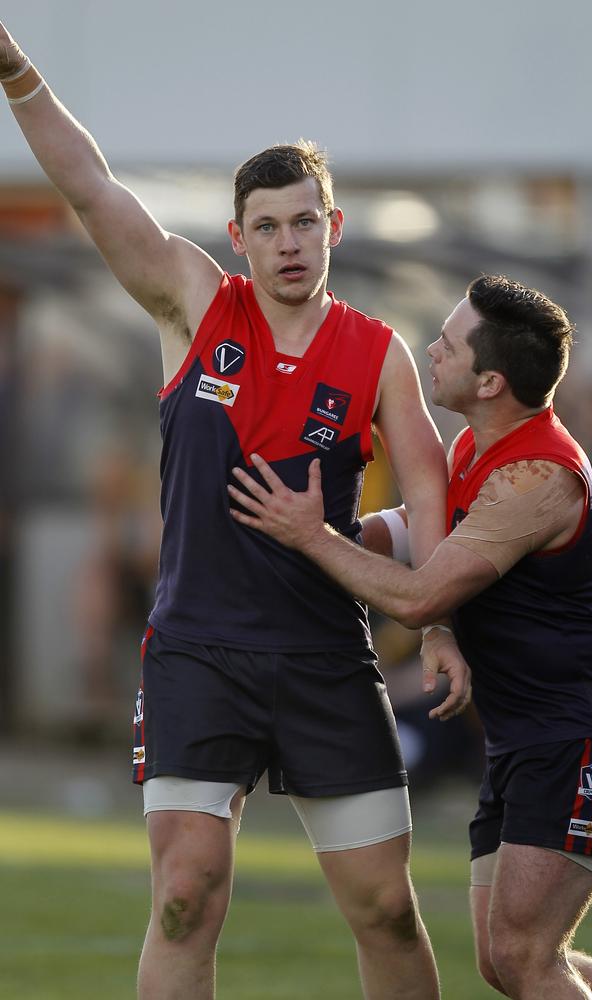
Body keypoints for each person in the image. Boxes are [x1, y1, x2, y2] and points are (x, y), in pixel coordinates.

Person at [0, 21, 476, 1000]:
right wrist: (19, 75)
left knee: (386, 909)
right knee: (185, 893)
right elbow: (91, 188)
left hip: (323, 658)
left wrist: (436, 622)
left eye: (304, 222)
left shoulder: (376, 352)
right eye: (267, 225)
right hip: (198, 654)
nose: (288, 242)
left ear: (332, 228)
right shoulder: (191, 304)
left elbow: (429, 491)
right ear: (239, 237)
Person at [229, 274, 592, 1000]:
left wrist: (309, 538)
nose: (431, 350)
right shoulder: (478, 446)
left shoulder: (534, 477)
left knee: (526, 955)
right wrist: (327, 535)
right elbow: (413, 531)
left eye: (448, 345)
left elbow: (425, 592)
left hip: (580, 733)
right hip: (528, 737)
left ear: (490, 381)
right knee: (502, 958)